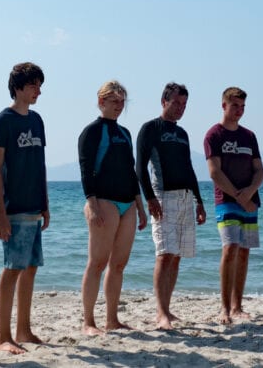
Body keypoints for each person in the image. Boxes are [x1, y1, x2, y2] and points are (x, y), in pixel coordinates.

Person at [78, 80, 147, 334]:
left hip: (127, 203)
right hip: (103, 202)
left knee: (118, 264)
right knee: (97, 262)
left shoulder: (124, 133)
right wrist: (92, 204)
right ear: (101, 102)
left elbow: (131, 172)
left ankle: (112, 319)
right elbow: (85, 168)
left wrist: (140, 207)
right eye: (114, 101)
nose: (119, 106)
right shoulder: (92, 132)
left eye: (122, 102)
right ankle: (88, 322)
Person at [136, 82, 207, 330]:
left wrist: (199, 201)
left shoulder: (183, 134)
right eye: (176, 103)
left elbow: (189, 168)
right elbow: (140, 167)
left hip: (186, 198)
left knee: (176, 257)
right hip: (162, 197)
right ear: (164, 101)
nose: (180, 108)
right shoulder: (150, 129)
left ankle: (167, 308)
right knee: (164, 254)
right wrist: (150, 198)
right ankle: (161, 312)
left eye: (184, 104)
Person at [0, 62, 49, 354]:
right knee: (12, 269)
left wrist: (46, 204)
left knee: (31, 268)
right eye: (33, 85)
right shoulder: (4, 120)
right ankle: (3, 335)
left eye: (39, 85)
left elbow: (41, 165)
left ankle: (24, 329)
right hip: (13, 208)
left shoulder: (37, 120)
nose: (38, 91)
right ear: (18, 87)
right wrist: (0, 213)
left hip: (34, 208)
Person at [204, 86, 263, 325]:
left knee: (244, 253)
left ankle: (238, 306)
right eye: (235, 106)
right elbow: (214, 173)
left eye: (242, 107)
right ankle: (224, 308)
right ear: (224, 106)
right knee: (229, 250)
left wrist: (249, 193)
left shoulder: (249, 136)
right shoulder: (214, 135)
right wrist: (240, 197)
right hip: (226, 202)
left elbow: (259, 170)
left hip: (250, 202)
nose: (239, 111)